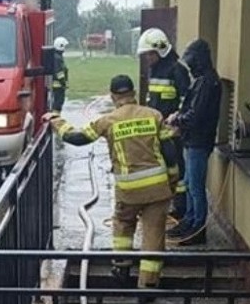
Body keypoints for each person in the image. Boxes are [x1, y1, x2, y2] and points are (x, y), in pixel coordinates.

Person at [42, 75, 180, 289]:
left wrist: (56, 120)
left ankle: (121, 268)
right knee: (153, 237)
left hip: (128, 189)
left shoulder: (108, 121)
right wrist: (172, 182)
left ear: (113, 96)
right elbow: (170, 152)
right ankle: (148, 286)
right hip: (157, 189)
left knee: (123, 225)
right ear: (133, 93)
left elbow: (76, 138)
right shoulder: (154, 115)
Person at [166, 39, 221, 245]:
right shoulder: (201, 81)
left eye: (192, 61)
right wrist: (179, 114)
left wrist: (177, 119)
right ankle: (189, 221)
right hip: (193, 140)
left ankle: (198, 229)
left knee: (196, 187)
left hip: (199, 141)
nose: (189, 66)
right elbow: (191, 109)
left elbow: (196, 115)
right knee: (189, 183)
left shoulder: (207, 82)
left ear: (200, 60)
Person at [137, 27, 191, 219]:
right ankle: (166, 201)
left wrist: (177, 118)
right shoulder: (155, 69)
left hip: (172, 130)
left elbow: (187, 100)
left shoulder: (177, 70)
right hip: (157, 128)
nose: (147, 59)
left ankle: (181, 208)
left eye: (150, 54)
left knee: (177, 167)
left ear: (160, 49)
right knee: (161, 167)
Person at [51, 36, 69, 114]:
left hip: (59, 86)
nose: (65, 48)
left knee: (58, 104)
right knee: (57, 104)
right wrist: (63, 83)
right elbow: (59, 72)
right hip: (58, 86)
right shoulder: (57, 58)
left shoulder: (58, 57)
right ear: (61, 46)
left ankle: (56, 117)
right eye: (64, 46)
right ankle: (56, 119)